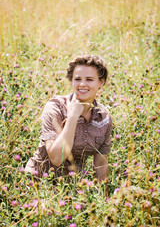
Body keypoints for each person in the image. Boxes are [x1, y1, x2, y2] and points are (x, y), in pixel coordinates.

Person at [25, 55, 112, 183]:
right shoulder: (55, 107)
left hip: (72, 188)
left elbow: (100, 163)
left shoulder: (103, 117)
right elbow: (56, 158)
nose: (82, 84)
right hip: (38, 182)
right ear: (71, 81)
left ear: (101, 82)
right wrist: (72, 117)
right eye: (77, 79)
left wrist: (104, 199)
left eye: (89, 79)